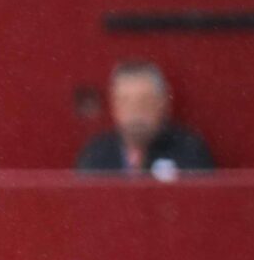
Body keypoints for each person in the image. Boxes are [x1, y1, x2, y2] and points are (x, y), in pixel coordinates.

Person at [75, 61, 214, 178]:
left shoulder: (189, 150)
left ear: (163, 103)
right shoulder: (96, 155)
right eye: (125, 101)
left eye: (145, 101)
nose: (135, 110)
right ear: (113, 106)